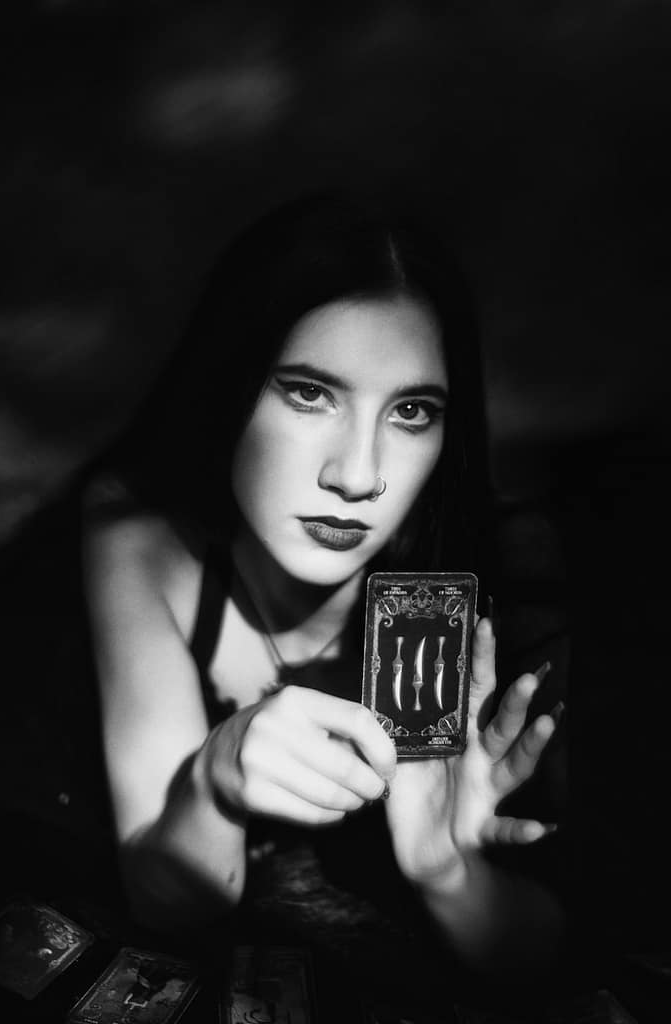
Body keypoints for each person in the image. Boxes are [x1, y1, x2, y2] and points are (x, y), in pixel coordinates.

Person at [82, 195, 565, 999]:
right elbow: (163, 903)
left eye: (412, 411)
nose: (356, 475)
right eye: (309, 393)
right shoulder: (140, 534)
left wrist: (445, 871)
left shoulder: (486, 578)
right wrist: (212, 781)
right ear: (227, 384)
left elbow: (558, 966)